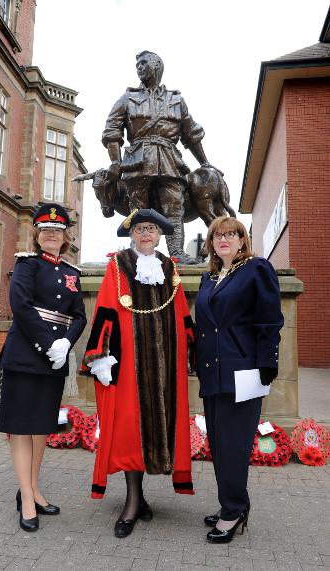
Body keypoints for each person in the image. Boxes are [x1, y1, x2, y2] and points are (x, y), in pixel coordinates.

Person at [81, 208, 195, 538]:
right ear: (132, 234)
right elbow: (104, 308)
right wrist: (100, 355)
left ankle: (142, 497)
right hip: (130, 362)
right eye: (140, 229)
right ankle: (132, 501)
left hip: (165, 364)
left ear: (160, 235)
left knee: (160, 425)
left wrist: (191, 348)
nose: (146, 234)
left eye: (152, 229)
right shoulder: (119, 265)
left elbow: (182, 311)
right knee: (132, 427)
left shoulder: (169, 266)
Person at [0, 203, 86, 532]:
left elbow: (80, 315)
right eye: (46, 230)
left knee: (40, 428)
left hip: (55, 359)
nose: (51, 234)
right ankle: (27, 498)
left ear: (65, 237)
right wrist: (49, 342)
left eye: (58, 230)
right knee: (21, 428)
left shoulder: (72, 273)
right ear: (37, 234)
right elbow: (20, 305)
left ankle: (32, 489)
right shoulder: (27, 265)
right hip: (26, 354)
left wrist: (66, 343)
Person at [195, 215, 284, 543]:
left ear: (242, 240)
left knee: (233, 445)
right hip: (213, 372)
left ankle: (232, 514)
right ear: (212, 243)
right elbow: (205, 327)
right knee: (220, 444)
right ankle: (234, 505)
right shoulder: (210, 278)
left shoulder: (256, 269)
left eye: (231, 234)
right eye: (219, 235)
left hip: (243, 372)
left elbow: (270, 319)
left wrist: (267, 363)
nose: (225, 239)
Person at [102, 50, 213, 264]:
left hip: (169, 160)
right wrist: (115, 161)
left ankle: (177, 254)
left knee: (174, 206)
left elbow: (192, 134)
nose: (139, 68)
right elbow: (111, 131)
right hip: (137, 160)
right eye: (137, 66)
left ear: (157, 65)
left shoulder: (176, 100)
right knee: (139, 210)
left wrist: (205, 163)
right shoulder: (127, 98)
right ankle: (139, 253)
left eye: (144, 63)